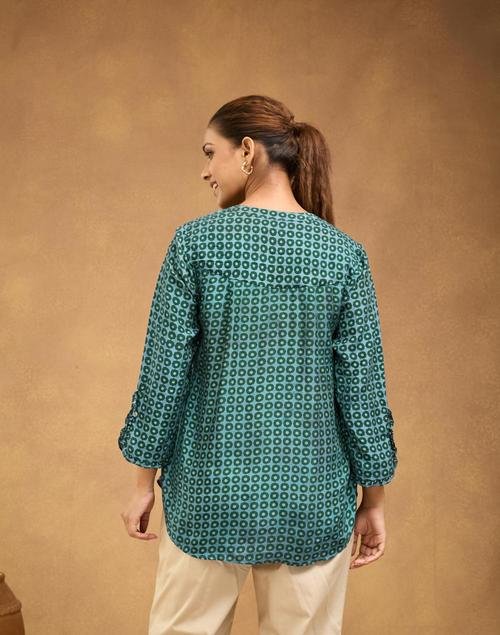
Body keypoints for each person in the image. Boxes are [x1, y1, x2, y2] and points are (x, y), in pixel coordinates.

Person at [117, 94, 398, 634]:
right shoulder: (344, 255)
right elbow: (362, 389)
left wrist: (142, 483)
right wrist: (374, 497)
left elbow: (163, 374)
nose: (205, 170)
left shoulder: (195, 244)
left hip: (208, 493)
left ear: (247, 151)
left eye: (210, 153)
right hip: (312, 497)